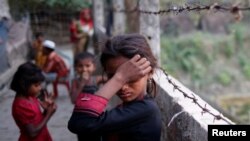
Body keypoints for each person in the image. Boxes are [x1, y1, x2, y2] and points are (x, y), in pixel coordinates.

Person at [68, 33, 162, 141]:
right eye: (113, 77)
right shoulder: (126, 107)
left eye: (131, 78)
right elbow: (81, 125)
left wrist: (119, 78)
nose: (122, 86)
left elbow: (80, 122)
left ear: (149, 72)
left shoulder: (146, 110)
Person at [10, 62, 57, 141]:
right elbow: (32, 133)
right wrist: (49, 115)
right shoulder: (21, 105)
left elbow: (36, 121)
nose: (40, 88)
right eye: (36, 85)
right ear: (23, 84)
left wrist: (46, 110)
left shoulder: (30, 97)